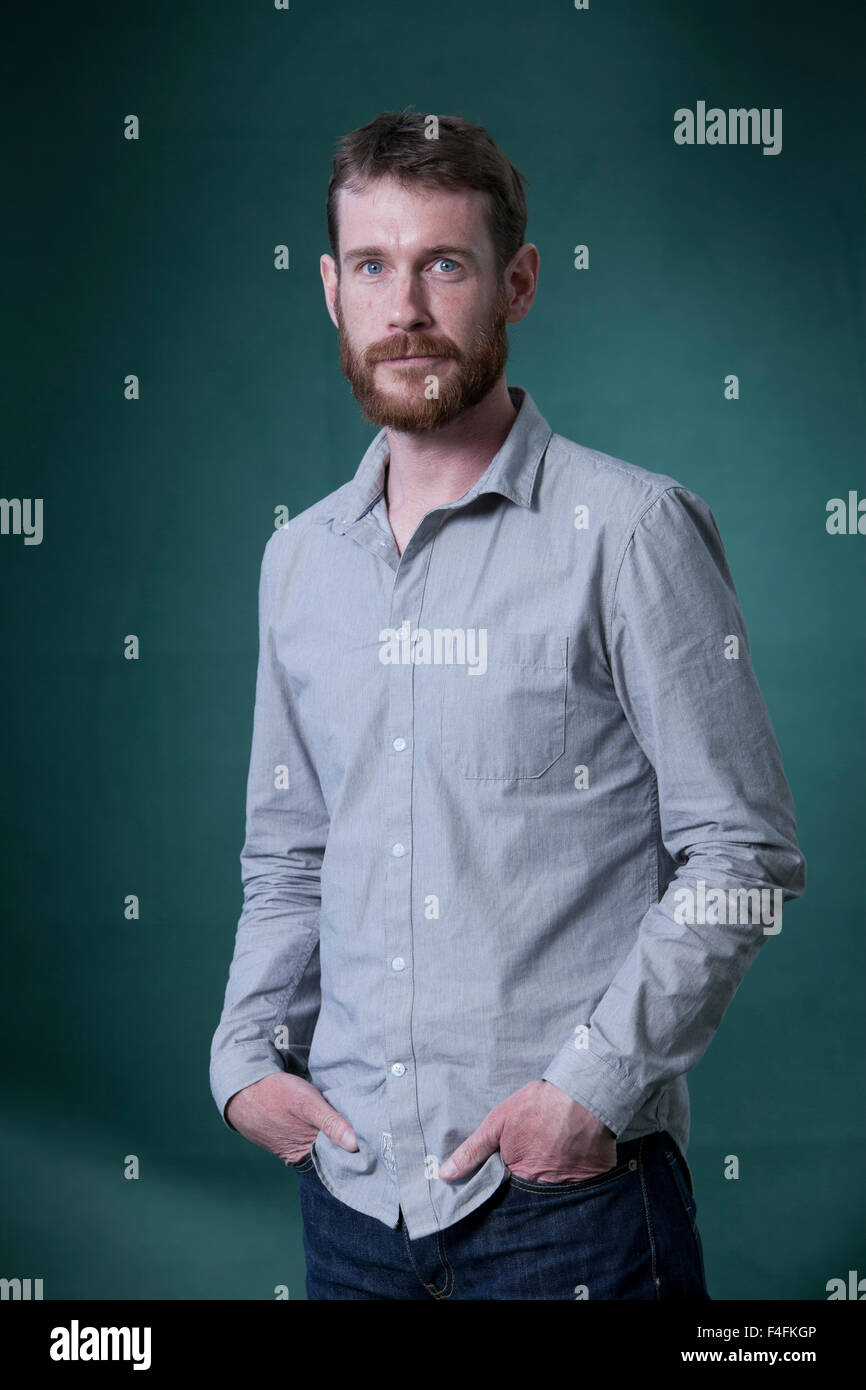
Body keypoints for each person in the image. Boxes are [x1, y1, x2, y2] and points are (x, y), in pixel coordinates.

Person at [209, 108, 806, 1300]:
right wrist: (242, 1058)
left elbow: (740, 855)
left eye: (445, 263)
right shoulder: (297, 562)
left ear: (517, 282)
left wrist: (585, 1093)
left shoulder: (629, 533)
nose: (406, 308)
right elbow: (289, 851)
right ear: (330, 290)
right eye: (373, 266)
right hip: (352, 1197)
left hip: (568, 1208)